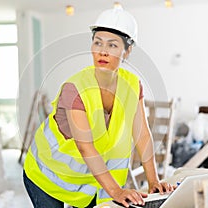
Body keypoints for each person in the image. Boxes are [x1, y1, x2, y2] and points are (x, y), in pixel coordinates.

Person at [23, 7, 175, 208]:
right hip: (46, 176)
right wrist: (117, 191)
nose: (103, 51)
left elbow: (142, 135)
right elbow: (86, 147)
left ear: (127, 51)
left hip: (89, 183)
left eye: (112, 45)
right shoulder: (75, 88)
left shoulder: (132, 84)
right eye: (98, 43)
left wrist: (153, 181)